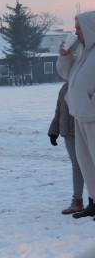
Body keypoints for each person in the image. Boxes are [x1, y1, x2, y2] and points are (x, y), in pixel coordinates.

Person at [57, 12, 95, 219]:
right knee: (86, 162)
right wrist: (65, 56)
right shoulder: (81, 53)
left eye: (79, 28)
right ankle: (93, 201)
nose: (76, 33)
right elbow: (66, 74)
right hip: (79, 115)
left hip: (93, 115)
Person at [49, 82, 87, 215]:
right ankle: (77, 201)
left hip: (86, 131)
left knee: (90, 166)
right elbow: (59, 110)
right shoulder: (65, 87)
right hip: (69, 133)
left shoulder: (88, 83)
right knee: (77, 166)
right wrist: (54, 131)